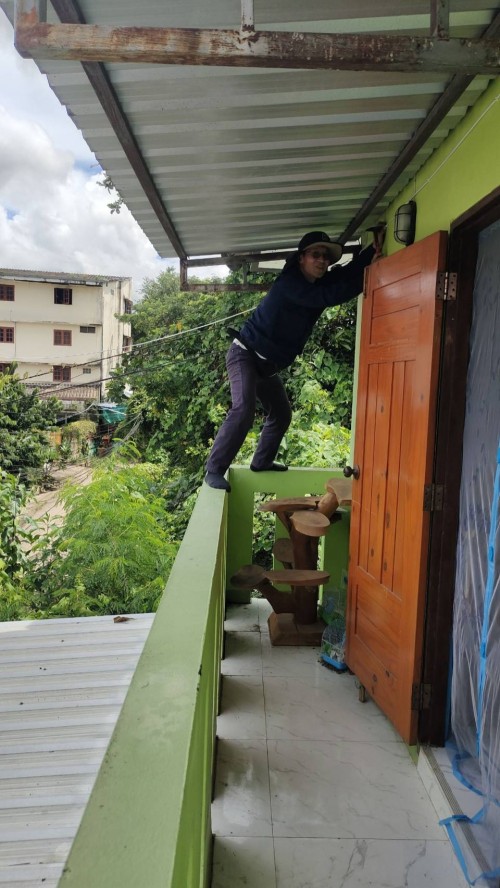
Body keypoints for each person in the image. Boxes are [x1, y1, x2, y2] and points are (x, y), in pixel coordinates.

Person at [204, 228, 383, 492]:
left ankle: (261, 462)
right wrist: (369, 273)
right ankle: (214, 470)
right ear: (301, 258)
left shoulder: (315, 284)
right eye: (315, 255)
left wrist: (370, 253)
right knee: (243, 409)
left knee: (281, 414)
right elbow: (329, 296)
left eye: (325, 256)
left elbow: (342, 275)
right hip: (245, 354)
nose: (322, 260)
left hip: (266, 365)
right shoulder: (290, 283)